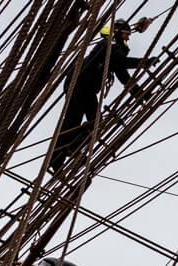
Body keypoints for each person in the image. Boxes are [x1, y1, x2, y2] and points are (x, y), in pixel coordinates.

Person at [49, 21, 151, 174]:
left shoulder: (114, 50)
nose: (128, 39)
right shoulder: (109, 44)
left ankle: (72, 147)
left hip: (87, 88)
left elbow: (122, 74)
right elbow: (122, 62)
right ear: (117, 33)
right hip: (79, 84)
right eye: (126, 34)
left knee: (95, 123)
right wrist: (144, 63)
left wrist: (138, 92)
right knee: (73, 120)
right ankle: (59, 157)